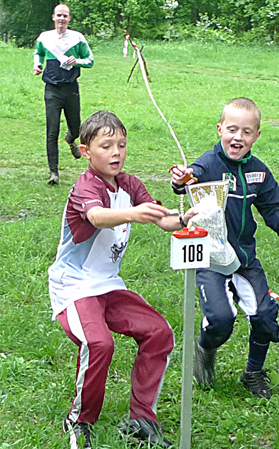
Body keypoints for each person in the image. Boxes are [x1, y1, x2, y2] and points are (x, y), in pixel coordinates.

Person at [49, 110, 197, 449]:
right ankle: (79, 422)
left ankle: (141, 419)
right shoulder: (85, 187)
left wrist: (186, 217)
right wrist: (133, 213)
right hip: (73, 286)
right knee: (100, 343)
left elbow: (164, 221)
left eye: (122, 145)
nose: (116, 153)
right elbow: (97, 216)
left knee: (159, 333)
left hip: (108, 284)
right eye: (106, 146)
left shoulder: (130, 185)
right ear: (86, 152)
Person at [170, 97, 279, 399]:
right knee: (221, 320)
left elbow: (273, 207)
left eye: (245, 132)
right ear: (220, 129)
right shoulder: (210, 163)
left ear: (256, 135)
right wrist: (181, 179)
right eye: (231, 129)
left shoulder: (259, 172)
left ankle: (253, 372)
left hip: (244, 260)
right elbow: (190, 178)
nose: (237, 137)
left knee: (266, 316)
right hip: (212, 259)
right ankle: (205, 347)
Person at [33, 3, 94, 185]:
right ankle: (54, 172)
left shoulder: (77, 38)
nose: (61, 19)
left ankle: (70, 139)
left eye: (65, 16)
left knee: (76, 128)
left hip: (70, 88)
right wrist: (37, 65)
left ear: (69, 19)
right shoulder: (45, 37)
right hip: (52, 89)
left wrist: (77, 61)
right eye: (58, 15)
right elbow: (39, 53)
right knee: (52, 131)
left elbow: (90, 60)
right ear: (53, 17)